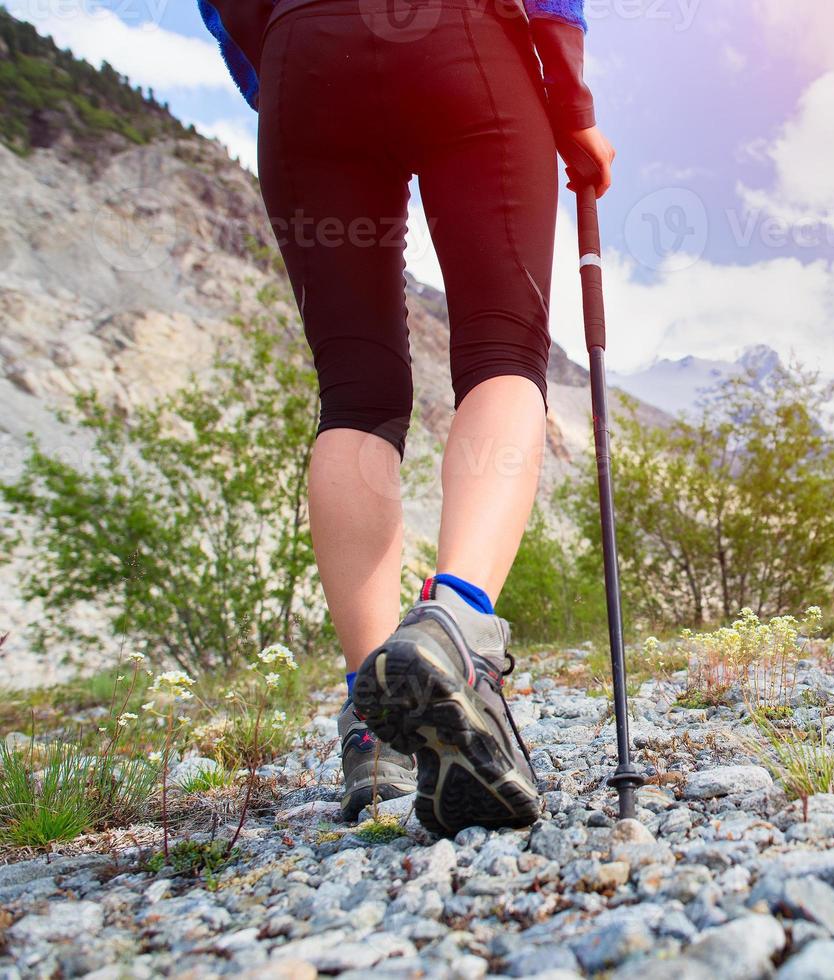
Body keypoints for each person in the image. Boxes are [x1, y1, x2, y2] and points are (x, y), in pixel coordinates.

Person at [197, 0, 614, 836]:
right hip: (464, 43)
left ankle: (371, 731)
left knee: (356, 396)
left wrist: (289, 69)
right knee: (503, 353)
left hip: (301, 61)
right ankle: (455, 625)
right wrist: (573, 109)